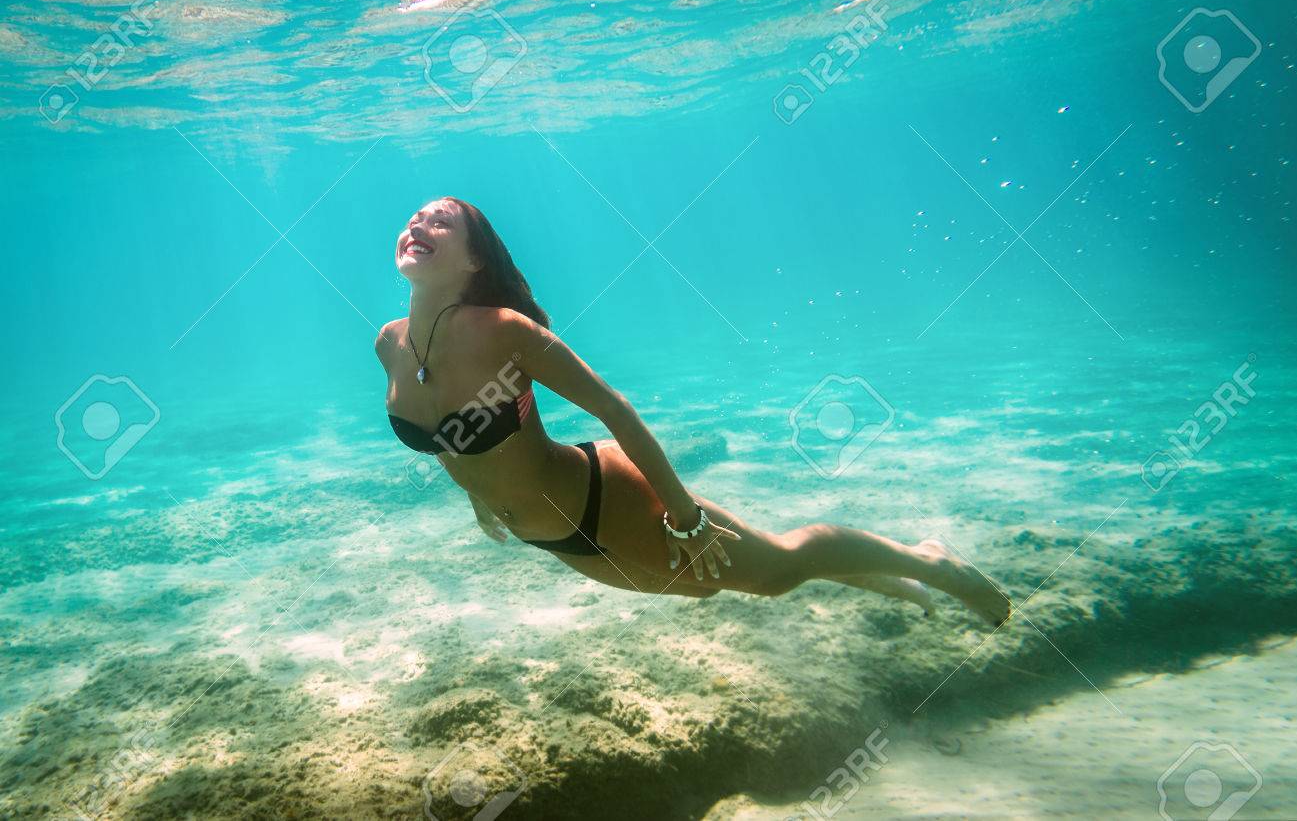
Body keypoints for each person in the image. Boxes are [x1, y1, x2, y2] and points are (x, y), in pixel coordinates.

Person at [377, 197, 1010, 625]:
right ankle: (886, 576)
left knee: (776, 572)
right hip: (548, 535)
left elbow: (614, 410)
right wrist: (478, 497)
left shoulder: (505, 332)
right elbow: (450, 438)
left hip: (603, 497)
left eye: (439, 223)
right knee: (718, 583)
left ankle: (931, 562)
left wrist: (685, 518)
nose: (418, 228)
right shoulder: (391, 343)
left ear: (475, 258)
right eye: (413, 220)